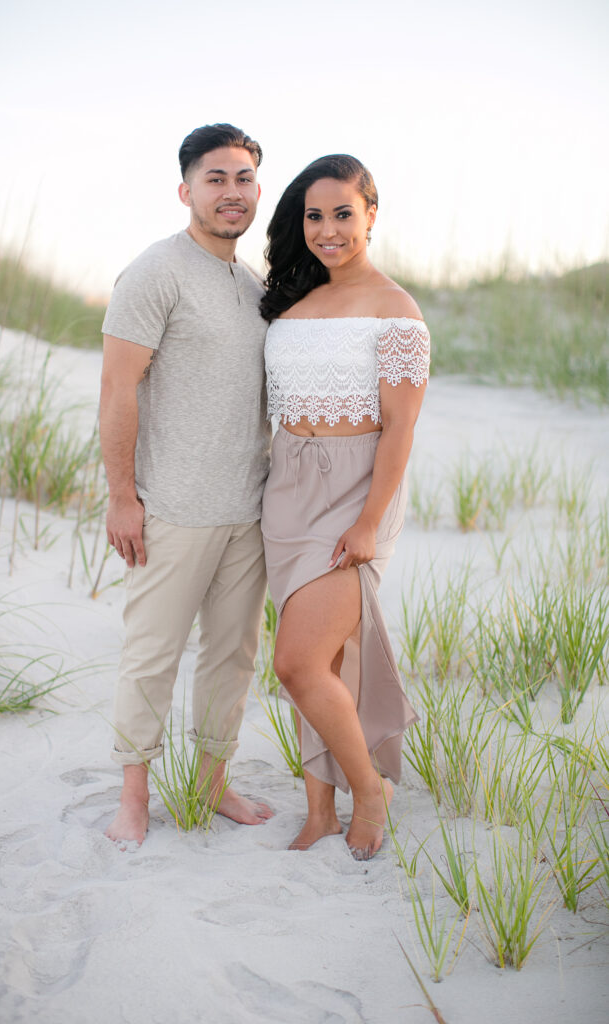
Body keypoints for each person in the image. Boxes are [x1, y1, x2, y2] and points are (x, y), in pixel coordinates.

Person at [100, 123, 274, 845]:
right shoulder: (154, 272)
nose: (230, 193)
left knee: (233, 656)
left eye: (242, 179)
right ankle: (133, 796)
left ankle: (211, 780)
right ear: (186, 190)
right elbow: (116, 389)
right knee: (152, 657)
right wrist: (121, 497)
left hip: (248, 510)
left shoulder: (253, 283)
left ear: (256, 191)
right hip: (172, 507)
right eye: (215, 178)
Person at [260, 155, 429, 860]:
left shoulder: (396, 310)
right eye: (314, 215)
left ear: (370, 215)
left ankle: (367, 791)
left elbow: (400, 429)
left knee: (295, 663)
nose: (327, 230)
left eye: (342, 214)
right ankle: (318, 809)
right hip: (286, 491)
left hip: (353, 491)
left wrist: (366, 521)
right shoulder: (293, 302)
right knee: (319, 663)